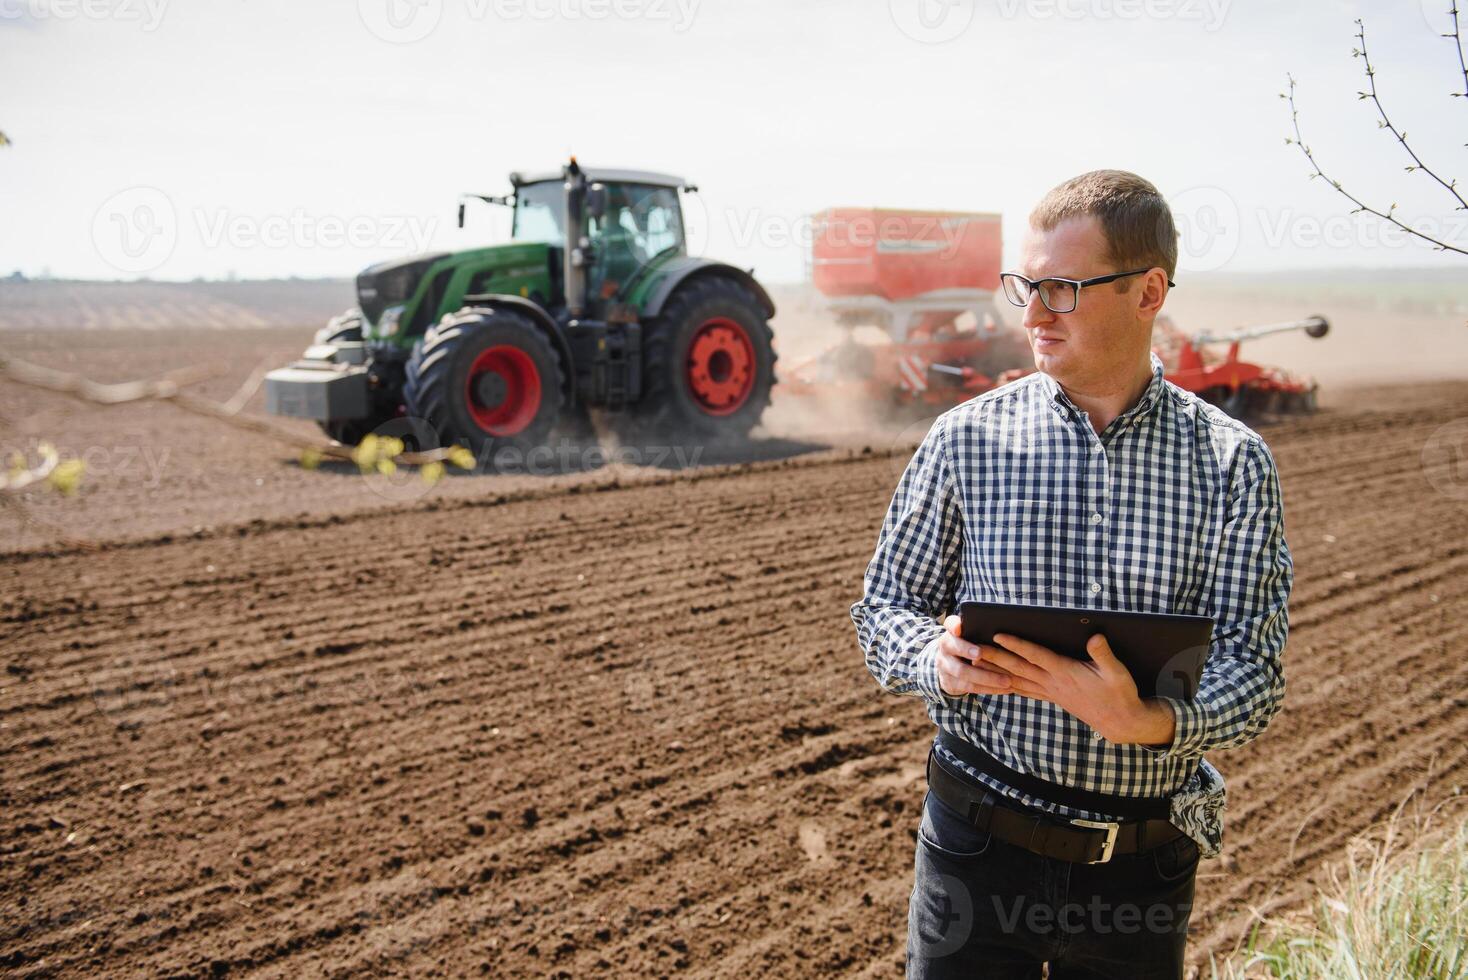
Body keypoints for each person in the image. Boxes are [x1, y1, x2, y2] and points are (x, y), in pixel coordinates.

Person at [849, 170, 1293, 979]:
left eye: (1061, 288)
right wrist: (933, 660)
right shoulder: (964, 441)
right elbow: (886, 608)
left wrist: (1150, 722)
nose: (1032, 313)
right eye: (1024, 285)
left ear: (1148, 291)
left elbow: (1255, 677)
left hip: (1143, 864)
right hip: (973, 848)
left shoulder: (1233, 465)